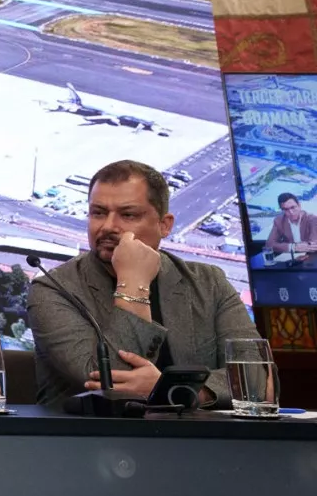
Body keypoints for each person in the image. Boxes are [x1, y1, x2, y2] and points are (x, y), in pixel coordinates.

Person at [27, 159, 260, 407]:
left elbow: (256, 379)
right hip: (94, 431)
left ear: (164, 225)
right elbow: (111, 384)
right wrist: (132, 281)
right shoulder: (53, 290)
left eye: (128, 215)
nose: (108, 226)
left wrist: (173, 391)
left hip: (196, 431)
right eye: (98, 213)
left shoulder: (209, 283)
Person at [265, 192, 317, 263]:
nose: (291, 212)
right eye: (286, 209)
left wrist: (285, 247)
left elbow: (314, 245)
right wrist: (293, 247)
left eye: (293, 207)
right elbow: (269, 244)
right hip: (291, 261)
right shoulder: (279, 221)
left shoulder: (313, 219)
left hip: (311, 260)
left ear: (299, 205)